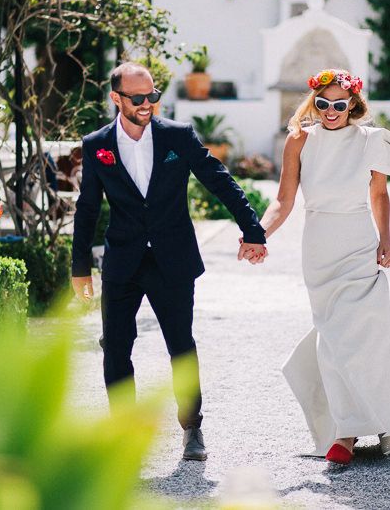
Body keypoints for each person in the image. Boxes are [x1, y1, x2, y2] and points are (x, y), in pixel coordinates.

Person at [71, 62, 267, 462]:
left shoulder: (178, 136)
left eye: (153, 96)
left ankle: (192, 428)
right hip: (123, 262)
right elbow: (87, 208)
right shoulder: (96, 145)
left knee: (181, 345)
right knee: (116, 349)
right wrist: (79, 269)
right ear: (116, 98)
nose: (148, 105)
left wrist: (252, 228)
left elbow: (218, 178)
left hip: (172, 261)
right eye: (138, 98)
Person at [259, 68, 390, 464]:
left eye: (339, 104)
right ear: (312, 101)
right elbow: (283, 200)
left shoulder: (374, 138)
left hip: (358, 244)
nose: (330, 111)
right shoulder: (299, 139)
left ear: (352, 103)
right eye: (322, 103)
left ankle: (382, 423)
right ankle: (344, 431)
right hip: (318, 248)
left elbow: (380, 194)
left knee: (370, 335)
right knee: (332, 338)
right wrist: (258, 233)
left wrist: (387, 238)